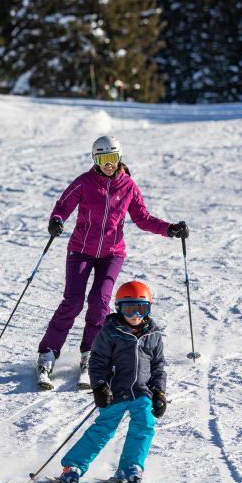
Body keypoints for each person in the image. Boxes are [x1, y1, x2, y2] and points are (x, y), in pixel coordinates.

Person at [36, 134, 188, 390]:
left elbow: (142, 218)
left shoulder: (128, 185)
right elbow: (64, 204)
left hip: (112, 253)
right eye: (103, 158)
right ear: (96, 159)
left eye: (113, 158)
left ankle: (90, 356)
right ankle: (47, 355)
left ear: (119, 157)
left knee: (100, 302)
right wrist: (57, 220)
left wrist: (169, 229)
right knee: (72, 302)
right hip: (81, 250)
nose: (109, 163)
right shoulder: (84, 182)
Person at [58, 280, 167, 483]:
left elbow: (158, 367)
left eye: (141, 309)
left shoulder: (153, 335)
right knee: (104, 429)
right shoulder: (110, 332)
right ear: (119, 309)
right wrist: (99, 386)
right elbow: (97, 362)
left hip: (142, 393)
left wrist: (159, 393)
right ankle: (73, 467)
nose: (136, 315)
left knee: (144, 425)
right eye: (129, 309)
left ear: (149, 309)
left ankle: (130, 468)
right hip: (114, 392)